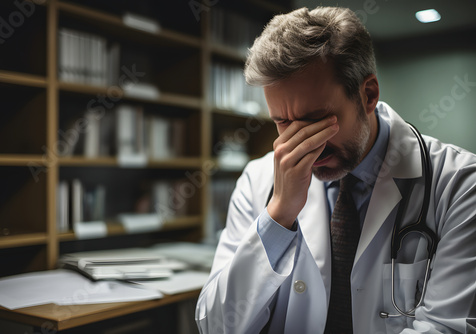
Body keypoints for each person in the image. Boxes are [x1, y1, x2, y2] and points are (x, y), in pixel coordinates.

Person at [195, 6, 476, 334]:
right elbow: (217, 327)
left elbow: (448, 328)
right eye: (282, 122)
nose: (304, 144)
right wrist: (278, 218)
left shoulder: (460, 184)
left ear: (368, 95)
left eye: (315, 120)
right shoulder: (258, 182)